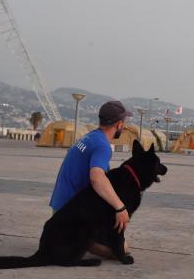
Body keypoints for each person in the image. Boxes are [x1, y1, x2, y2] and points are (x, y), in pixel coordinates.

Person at [49, 100, 132, 257]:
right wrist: (120, 207)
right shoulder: (102, 145)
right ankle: (72, 238)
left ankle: (70, 236)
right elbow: (97, 178)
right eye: (124, 122)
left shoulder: (90, 137)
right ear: (119, 124)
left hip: (59, 208)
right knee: (122, 248)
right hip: (68, 215)